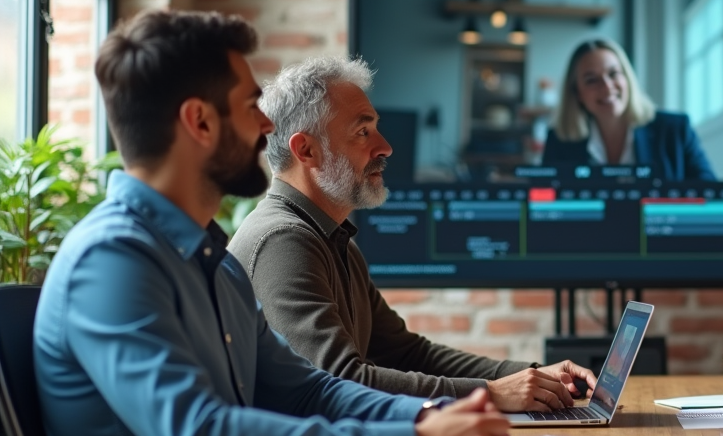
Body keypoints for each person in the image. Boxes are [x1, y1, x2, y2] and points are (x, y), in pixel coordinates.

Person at [34, 11, 510, 436]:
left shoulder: (208, 256)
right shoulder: (111, 262)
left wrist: (432, 417)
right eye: (250, 105)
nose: (267, 125)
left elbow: (308, 387)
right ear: (199, 122)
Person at [228, 56, 597, 412]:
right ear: (305, 150)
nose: (385, 147)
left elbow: (409, 353)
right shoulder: (283, 240)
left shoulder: (333, 239)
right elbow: (341, 381)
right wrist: (492, 393)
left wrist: (528, 376)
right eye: (363, 131)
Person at [541, 39, 716, 181]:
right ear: (577, 93)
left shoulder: (675, 130)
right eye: (591, 80)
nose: (607, 87)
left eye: (613, 74)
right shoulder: (559, 142)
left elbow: (710, 194)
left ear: (627, 79)